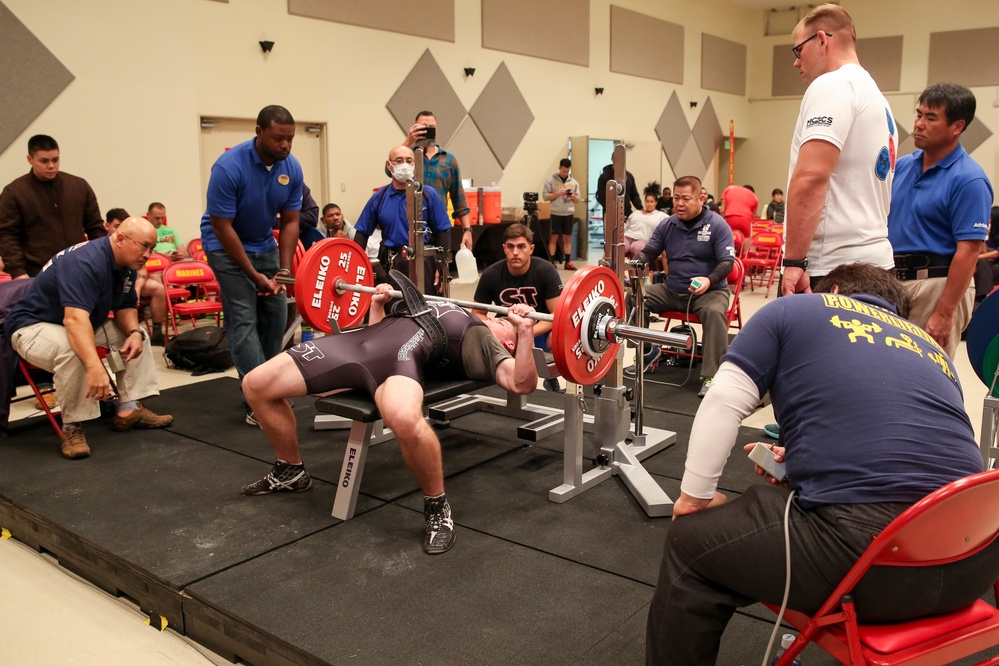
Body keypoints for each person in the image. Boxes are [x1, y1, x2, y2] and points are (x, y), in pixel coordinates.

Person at [646, 263, 995, 666]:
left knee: (691, 544)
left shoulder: (795, 310)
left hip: (873, 566)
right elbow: (913, 443)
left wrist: (694, 501)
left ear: (836, 289)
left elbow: (724, 401)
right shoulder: (931, 349)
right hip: (975, 564)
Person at [240, 270, 539, 554]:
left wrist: (525, 330)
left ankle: (437, 505)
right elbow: (379, 333)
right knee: (255, 384)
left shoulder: (484, 340)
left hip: (399, 363)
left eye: (501, 321)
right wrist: (377, 305)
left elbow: (520, 382)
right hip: (357, 346)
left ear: (507, 340)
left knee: (405, 419)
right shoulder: (459, 311)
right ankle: (291, 471)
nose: (495, 318)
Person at [5, 217, 173, 459]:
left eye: (152, 248)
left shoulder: (127, 265)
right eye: (143, 246)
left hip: (77, 322)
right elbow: (73, 320)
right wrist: (96, 367)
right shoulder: (85, 262)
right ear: (120, 239)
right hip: (32, 326)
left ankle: (128, 409)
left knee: (139, 335)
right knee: (73, 349)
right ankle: (72, 426)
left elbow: (125, 307)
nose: (148, 254)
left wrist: (135, 332)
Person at [781, 4, 897, 295]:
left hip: (833, 269)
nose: (796, 63)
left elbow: (811, 176)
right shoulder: (876, 96)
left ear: (822, 40)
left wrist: (794, 261)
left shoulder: (832, 84)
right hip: (875, 268)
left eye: (798, 51)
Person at [200, 105, 303, 425]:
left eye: (290, 139)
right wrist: (254, 275)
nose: (285, 146)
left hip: (264, 245)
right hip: (225, 246)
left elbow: (290, 221)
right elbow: (222, 227)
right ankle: (257, 400)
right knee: (243, 318)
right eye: (278, 139)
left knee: (275, 318)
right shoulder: (228, 167)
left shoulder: (291, 168)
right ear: (259, 132)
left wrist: (282, 272)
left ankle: (272, 387)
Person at [887, 83, 993, 358]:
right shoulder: (905, 166)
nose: (919, 124)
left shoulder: (969, 179)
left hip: (938, 284)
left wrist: (945, 313)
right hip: (893, 281)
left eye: (931, 118)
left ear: (957, 126)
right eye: (919, 114)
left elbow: (968, 252)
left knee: (923, 372)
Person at [630, 176, 736, 397]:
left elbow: (727, 263)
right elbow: (649, 252)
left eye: (686, 198)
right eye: (676, 198)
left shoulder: (717, 225)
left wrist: (709, 280)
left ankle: (712, 375)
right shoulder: (668, 224)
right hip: (672, 290)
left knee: (715, 312)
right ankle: (647, 351)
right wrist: (633, 263)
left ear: (701, 198)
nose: (679, 203)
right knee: (635, 296)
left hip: (710, 291)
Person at [472, 223, 563, 391]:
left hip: (539, 329)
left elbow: (556, 315)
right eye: (510, 247)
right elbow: (477, 313)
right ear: (504, 248)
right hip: (508, 329)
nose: (515, 252)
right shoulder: (491, 274)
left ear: (531, 248)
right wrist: (497, 330)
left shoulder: (546, 271)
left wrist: (524, 332)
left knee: (559, 336)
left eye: (521, 246)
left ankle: (550, 377)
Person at [0, 134, 106, 279]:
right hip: (35, 271)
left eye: (55, 160)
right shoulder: (14, 192)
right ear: (30, 160)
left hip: (79, 266)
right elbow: (7, 235)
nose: (51, 166)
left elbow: (96, 228)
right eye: (44, 161)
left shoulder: (79, 186)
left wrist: (101, 261)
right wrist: (18, 272)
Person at [354, 145, 452, 293]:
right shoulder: (379, 198)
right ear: (389, 165)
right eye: (399, 160)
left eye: (409, 161)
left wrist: (442, 268)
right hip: (393, 264)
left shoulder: (428, 195)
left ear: (414, 165)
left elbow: (443, 231)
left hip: (424, 263)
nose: (404, 165)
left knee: (427, 309)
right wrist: (356, 268)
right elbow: (361, 234)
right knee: (395, 311)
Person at [400, 110, 473, 250]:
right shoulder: (407, 157)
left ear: (437, 130)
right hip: (407, 224)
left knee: (438, 269)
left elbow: (459, 199)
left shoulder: (448, 160)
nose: (427, 130)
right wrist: (409, 141)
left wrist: (468, 230)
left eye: (431, 127)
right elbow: (389, 172)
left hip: (438, 226)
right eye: (422, 127)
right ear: (414, 128)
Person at [106, 209, 167, 346]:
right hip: (109, 286)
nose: (147, 254)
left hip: (129, 283)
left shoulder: (134, 256)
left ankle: (157, 332)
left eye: (150, 249)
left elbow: (141, 268)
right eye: (116, 226)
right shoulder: (99, 252)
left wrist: (136, 289)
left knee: (158, 288)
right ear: (107, 226)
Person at [320, 203, 385, 282]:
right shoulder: (318, 236)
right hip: (325, 270)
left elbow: (361, 258)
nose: (335, 218)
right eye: (330, 216)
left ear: (342, 216)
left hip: (351, 270)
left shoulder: (354, 233)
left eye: (338, 214)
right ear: (324, 220)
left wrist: (346, 243)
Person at [542, 158, 581, 270]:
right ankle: (551, 262)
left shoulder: (573, 182)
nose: (565, 173)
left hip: (568, 213)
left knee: (567, 239)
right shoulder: (550, 181)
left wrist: (572, 196)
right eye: (563, 171)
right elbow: (545, 196)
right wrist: (558, 194)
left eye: (567, 171)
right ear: (559, 168)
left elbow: (578, 199)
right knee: (553, 238)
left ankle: (567, 262)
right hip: (556, 213)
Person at [624, 183, 669, 257]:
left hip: (642, 240)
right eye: (647, 201)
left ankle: (636, 268)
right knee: (619, 246)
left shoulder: (661, 216)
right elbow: (627, 227)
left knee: (640, 249)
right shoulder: (636, 213)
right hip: (628, 236)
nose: (649, 204)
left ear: (656, 202)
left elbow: (671, 222)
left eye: (651, 202)